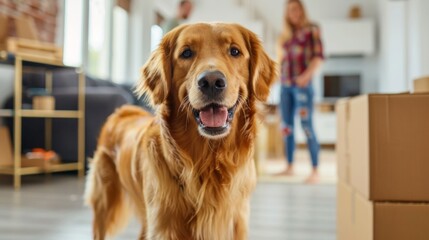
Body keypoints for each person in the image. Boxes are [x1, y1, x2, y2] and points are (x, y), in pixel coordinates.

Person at [276, 0, 324, 183]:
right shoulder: (285, 37)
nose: (293, 13)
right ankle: (289, 166)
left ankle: (315, 170)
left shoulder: (312, 30)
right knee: (286, 127)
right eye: (289, 11)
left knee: (307, 126)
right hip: (285, 86)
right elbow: (282, 62)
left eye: (295, 9)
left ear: (302, 10)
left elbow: (318, 57)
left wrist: (306, 76)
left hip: (303, 86)